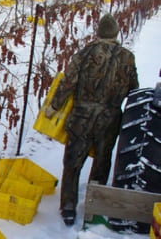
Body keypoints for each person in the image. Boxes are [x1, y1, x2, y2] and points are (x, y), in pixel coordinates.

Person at [45, 13, 139, 226]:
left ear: (98, 32)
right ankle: (93, 205)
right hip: (110, 118)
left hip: (81, 117)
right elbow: (134, 90)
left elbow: (68, 83)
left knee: (73, 161)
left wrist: (54, 107)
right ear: (116, 33)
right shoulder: (127, 57)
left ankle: (68, 208)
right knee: (102, 160)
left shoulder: (85, 53)